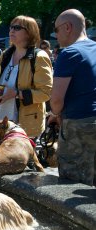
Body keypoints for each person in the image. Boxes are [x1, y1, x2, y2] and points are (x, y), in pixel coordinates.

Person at [0, 15, 52, 139]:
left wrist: (16, 94)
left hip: (24, 126)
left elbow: (46, 93)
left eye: (17, 27)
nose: (11, 30)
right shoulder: (5, 55)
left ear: (30, 32)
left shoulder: (39, 57)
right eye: (11, 27)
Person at [49, 9, 96, 186]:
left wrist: (54, 113)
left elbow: (56, 100)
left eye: (57, 30)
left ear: (67, 27)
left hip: (78, 124)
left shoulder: (70, 53)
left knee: (72, 185)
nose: (56, 35)